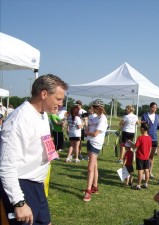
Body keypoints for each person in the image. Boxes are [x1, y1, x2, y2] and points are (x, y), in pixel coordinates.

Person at [0, 74, 68, 225]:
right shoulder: (20, 119)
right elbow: (6, 165)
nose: (61, 104)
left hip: (37, 185)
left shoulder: (43, 115)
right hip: (21, 186)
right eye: (58, 99)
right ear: (44, 94)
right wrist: (19, 203)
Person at [83, 99, 107, 202]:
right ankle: (95, 187)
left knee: (90, 168)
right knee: (94, 166)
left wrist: (86, 133)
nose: (93, 108)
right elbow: (89, 128)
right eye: (93, 106)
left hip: (95, 143)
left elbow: (95, 133)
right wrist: (86, 125)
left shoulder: (103, 118)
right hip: (90, 142)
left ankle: (88, 192)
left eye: (95, 107)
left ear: (100, 108)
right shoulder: (95, 117)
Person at [141, 102, 159, 179]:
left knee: (151, 157)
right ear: (150, 107)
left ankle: (150, 172)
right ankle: (143, 173)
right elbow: (143, 127)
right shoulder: (145, 116)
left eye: (155, 108)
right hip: (146, 138)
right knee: (145, 156)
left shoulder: (157, 116)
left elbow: (157, 127)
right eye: (153, 107)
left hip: (154, 139)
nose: (154, 109)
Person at [127, 123, 152, 190]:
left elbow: (135, 147)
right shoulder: (149, 138)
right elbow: (150, 148)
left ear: (143, 129)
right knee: (147, 170)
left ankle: (138, 185)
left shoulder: (140, 137)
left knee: (140, 171)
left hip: (140, 157)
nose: (140, 129)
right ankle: (146, 183)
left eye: (140, 128)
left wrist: (130, 142)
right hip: (146, 157)